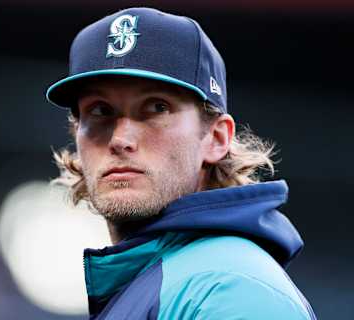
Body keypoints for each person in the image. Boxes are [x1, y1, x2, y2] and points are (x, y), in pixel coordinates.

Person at [46, 7, 317, 320]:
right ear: (76, 136)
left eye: (157, 108)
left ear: (216, 138)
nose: (120, 139)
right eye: (100, 111)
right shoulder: (166, 282)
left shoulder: (231, 290)